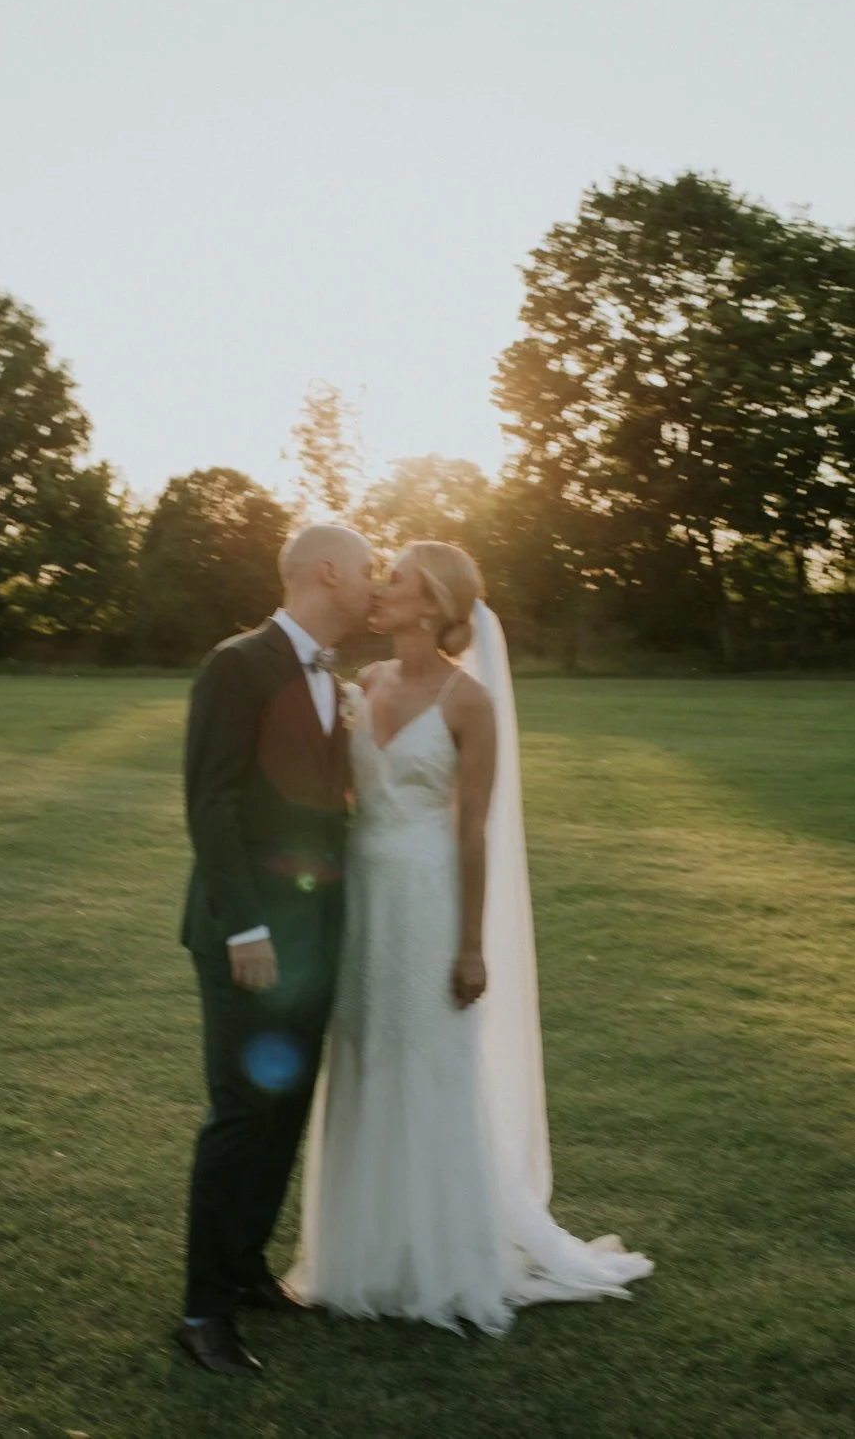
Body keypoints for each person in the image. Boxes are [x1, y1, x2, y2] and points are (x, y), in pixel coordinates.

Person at [289, 541, 653, 1333]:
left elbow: (473, 831)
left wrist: (471, 945)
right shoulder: (365, 684)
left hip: (428, 899)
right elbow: (345, 792)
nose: (378, 590)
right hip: (363, 897)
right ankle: (363, 1258)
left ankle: (439, 1260)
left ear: (431, 604)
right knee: (363, 1056)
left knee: (428, 1063)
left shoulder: (469, 702)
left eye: (395, 581)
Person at [175, 524, 375, 1378]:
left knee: (284, 1108)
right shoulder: (237, 665)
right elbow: (211, 802)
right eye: (367, 571)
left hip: (315, 935)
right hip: (249, 937)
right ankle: (201, 1313)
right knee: (240, 1112)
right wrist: (245, 928)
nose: (374, 585)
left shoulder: (336, 678)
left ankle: (245, 1267)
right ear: (327, 572)